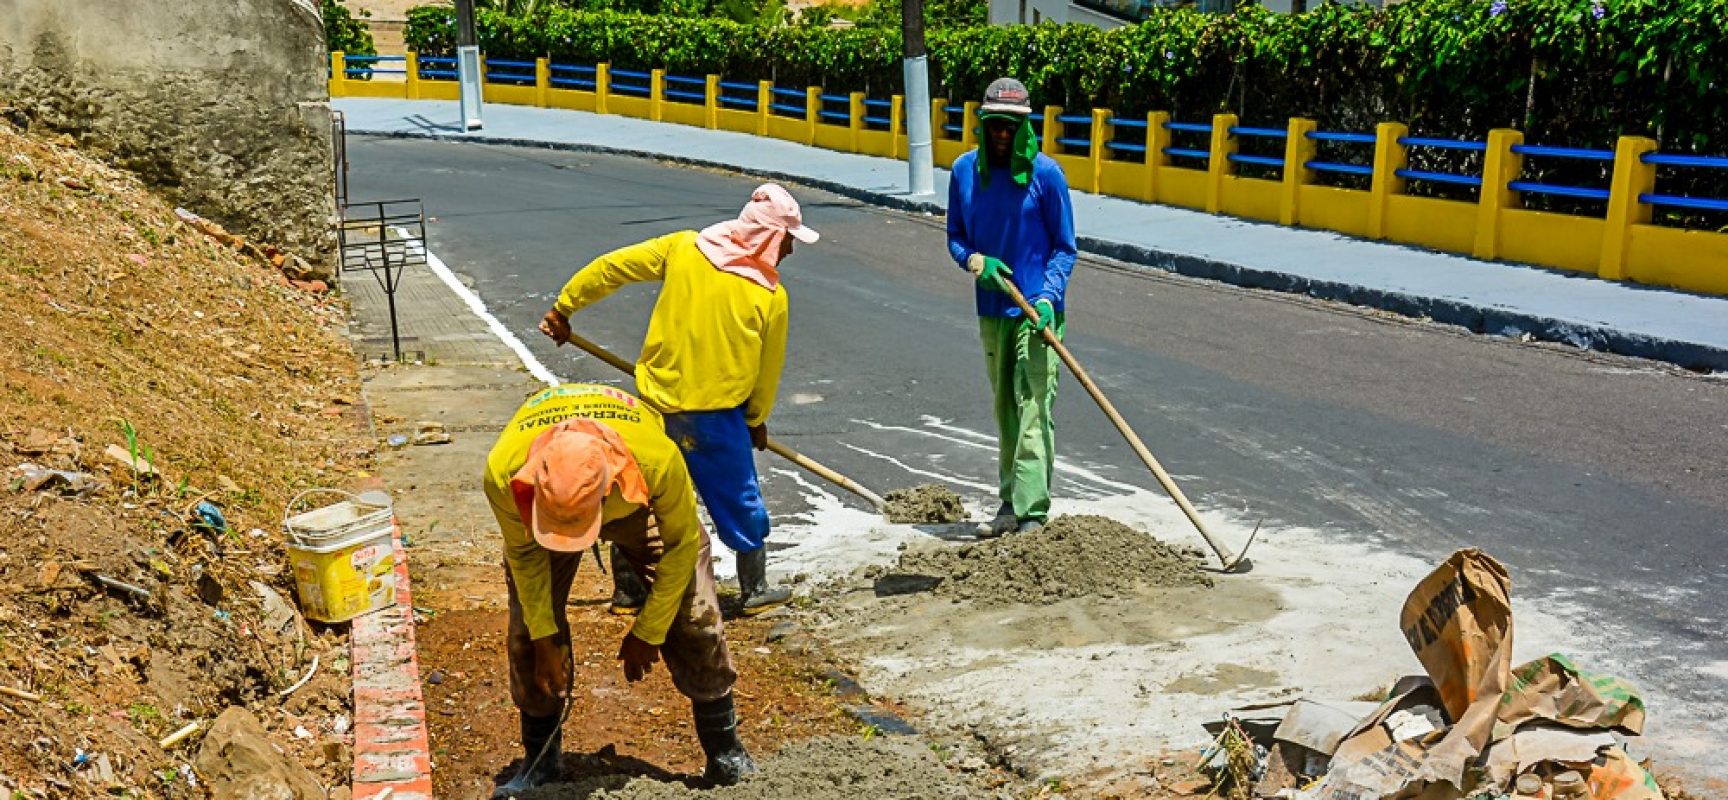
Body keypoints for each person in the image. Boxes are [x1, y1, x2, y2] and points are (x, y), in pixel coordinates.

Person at [539, 184, 818, 615]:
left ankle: (629, 591)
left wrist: (564, 307)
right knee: (739, 500)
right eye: (788, 240)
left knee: (637, 497)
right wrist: (755, 420)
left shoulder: (684, 248)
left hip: (653, 410)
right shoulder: (770, 296)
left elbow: (613, 268)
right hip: (717, 419)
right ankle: (754, 589)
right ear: (767, 236)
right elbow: (767, 372)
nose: (790, 252)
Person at [482, 383, 754, 796]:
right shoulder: (504, 471)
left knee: (696, 615)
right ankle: (541, 762)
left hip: (636, 505)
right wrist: (543, 640)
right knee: (526, 631)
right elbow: (524, 558)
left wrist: (650, 630)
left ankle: (725, 753)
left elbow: (680, 546)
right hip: (539, 519)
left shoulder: (657, 460)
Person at [945, 77, 1078, 538]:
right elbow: (956, 238)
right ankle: (1008, 502)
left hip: (1038, 311)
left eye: (1012, 127)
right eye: (995, 125)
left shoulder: (1046, 175)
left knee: (1033, 406)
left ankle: (1033, 512)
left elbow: (1065, 247)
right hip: (991, 308)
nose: (1003, 135)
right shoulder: (964, 172)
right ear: (982, 125)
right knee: (1004, 407)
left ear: (1026, 128)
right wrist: (974, 260)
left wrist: (1047, 295)